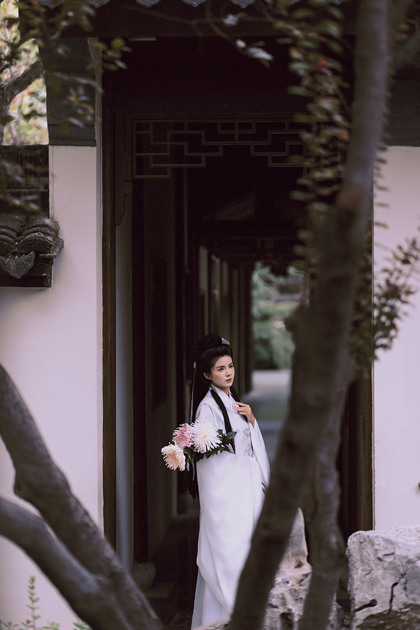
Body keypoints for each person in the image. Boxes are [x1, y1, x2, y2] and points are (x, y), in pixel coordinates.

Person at [190, 334, 270, 629]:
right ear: (206, 374)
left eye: (230, 366)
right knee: (230, 558)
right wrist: (243, 474)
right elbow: (209, 462)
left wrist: (252, 421)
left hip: (247, 494)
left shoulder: (234, 402)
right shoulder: (207, 408)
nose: (228, 373)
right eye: (220, 369)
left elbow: (247, 446)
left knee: (249, 557)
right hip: (230, 500)